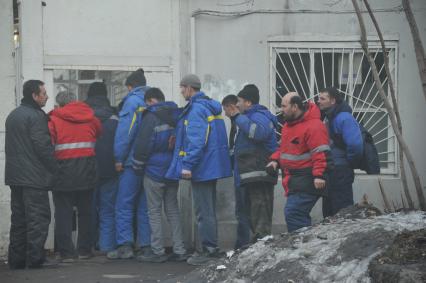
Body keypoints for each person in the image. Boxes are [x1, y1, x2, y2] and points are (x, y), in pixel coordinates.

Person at [166, 74, 232, 265]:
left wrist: (187, 165)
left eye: (182, 88)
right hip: (212, 166)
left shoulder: (196, 109)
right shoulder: (209, 106)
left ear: (189, 88)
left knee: (204, 212)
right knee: (208, 210)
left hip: (202, 168)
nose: (181, 91)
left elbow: (197, 141)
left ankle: (209, 251)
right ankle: (212, 248)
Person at [5, 80, 58, 269]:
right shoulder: (36, 116)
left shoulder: (13, 115)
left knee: (19, 220)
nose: (47, 96)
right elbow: (43, 147)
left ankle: (16, 261)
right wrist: (55, 168)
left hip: (15, 177)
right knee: (38, 218)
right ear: (34, 96)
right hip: (34, 178)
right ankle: (35, 260)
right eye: (43, 93)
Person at [132, 88, 188, 263]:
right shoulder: (176, 114)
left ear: (150, 101)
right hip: (171, 170)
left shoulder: (150, 117)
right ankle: (179, 249)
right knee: (172, 210)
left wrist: (137, 166)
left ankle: (157, 251)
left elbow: (143, 146)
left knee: (154, 212)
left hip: (154, 171)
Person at [267, 92, 333, 232]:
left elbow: (321, 153)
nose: (281, 109)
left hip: (308, 178)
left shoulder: (314, 126)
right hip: (294, 179)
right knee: (295, 213)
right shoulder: (288, 126)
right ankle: (302, 244)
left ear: (295, 107)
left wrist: (319, 175)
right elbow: (285, 149)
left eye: (284, 106)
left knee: (294, 212)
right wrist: (274, 160)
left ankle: (301, 246)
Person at [222, 85, 278, 249]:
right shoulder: (245, 118)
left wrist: (238, 117)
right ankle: (246, 250)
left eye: (239, 101)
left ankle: (262, 254)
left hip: (259, 177)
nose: (236, 105)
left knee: (260, 220)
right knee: (246, 216)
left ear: (248, 102)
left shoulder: (261, 116)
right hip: (247, 177)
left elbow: (258, 133)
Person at [49, 91, 101, 262]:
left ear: (60, 104)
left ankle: (66, 253)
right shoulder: (91, 117)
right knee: (86, 212)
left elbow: (49, 144)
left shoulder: (53, 119)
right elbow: (99, 134)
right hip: (87, 171)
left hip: (63, 172)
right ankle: (84, 250)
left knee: (63, 213)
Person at [113, 68, 151, 259]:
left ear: (130, 86)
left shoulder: (132, 102)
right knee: (145, 205)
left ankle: (125, 246)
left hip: (131, 162)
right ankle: (146, 245)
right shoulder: (153, 101)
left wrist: (119, 158)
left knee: (125, 203)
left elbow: (125, 133)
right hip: (150, 163)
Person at [318, 87, 363, 217]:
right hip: (331, 169)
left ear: (332, 101)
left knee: (342, 211)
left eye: (322, 98)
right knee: (329, 211)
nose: (318, 101)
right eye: (318, 98)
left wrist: (348, 162)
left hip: (340, 170)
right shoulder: (328, 116)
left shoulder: (344, 117)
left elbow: (355, 144)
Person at [85, 82, 119, 255]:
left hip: (87, 169)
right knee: (108, 209)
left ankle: (88, 247)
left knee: (88, 210)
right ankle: (106, 247)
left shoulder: (83, 116)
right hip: (110, 168)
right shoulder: (114, 116)